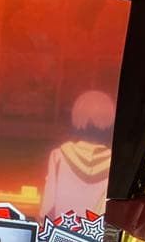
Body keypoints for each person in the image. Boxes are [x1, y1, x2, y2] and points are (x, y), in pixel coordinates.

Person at [41, 90, 115, 222]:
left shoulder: (58, 156)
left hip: (61, 233)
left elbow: (47, 208)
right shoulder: (114, 163)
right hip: (96, 233)